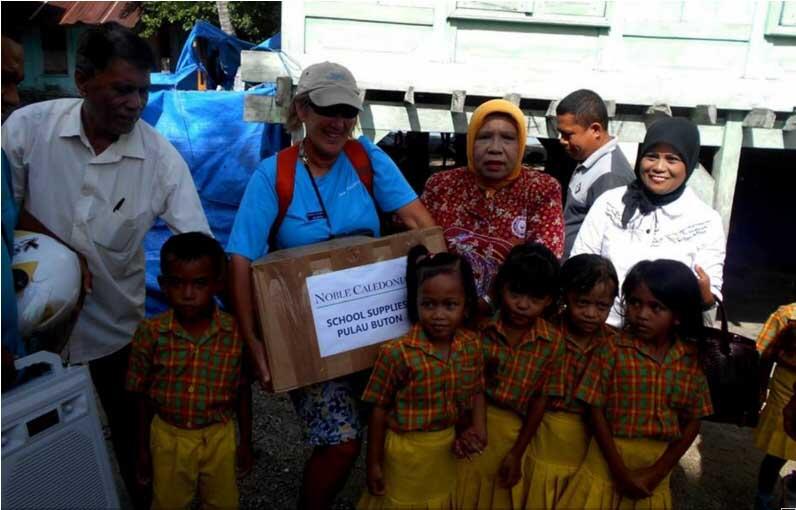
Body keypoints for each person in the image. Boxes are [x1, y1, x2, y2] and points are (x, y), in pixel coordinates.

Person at [1, 22, 210, 507]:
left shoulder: (160, 159)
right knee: (34, 450)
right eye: (122, 89)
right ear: (81, 80)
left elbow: (197, 243)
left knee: (138, 449)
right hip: (28, 334)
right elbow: (6, 214)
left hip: (116, 333)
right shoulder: (27, 130)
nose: (136, 103)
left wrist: (198, 326)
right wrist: (65, 254)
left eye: (142, 90)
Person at [227, 61, 435, 510]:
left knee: (385, 425)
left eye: (347, 111)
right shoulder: (274, 174)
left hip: (375, 323)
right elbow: (241, 259)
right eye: (327, 109)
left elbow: (422, 226)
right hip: (306, 335)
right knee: (341, 443)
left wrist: (443, 304)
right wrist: (254, 342)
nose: (338, 122)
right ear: (302, 108)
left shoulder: (367, 159)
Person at [558, 259, 712, 509]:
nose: (641, 314)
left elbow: (694, 420)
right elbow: (594, 409)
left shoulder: (690, 359)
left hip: (655, 467)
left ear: (678, 315)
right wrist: (620, 471)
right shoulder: (611, 349)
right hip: (606, 462)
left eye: (656, 307)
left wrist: (658, 471)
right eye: (635, 303)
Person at [358, 244, 483, 509]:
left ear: (466, 305)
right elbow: (378, 409)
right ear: (415, 303)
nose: (438, 315)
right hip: (405, 454)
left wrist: (474, 428)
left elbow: (475, 389)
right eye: (428, 304)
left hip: (445, 452)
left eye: (450, 305)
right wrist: (374, 464)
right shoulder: (397, 353)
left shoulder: (470, 345)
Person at [126, 233, 244, 510]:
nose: (188, 294)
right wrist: (143, 450)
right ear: (163, 285)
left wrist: (245, 441)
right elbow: (139, 394)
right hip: (168, 437)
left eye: (199, 283)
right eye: (178, 283)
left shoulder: (233, 332)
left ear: (217, 284)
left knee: (223, 502)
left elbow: (241, 388)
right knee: (169, 502)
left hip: (219, 435)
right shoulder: (151, 332)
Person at [571, 116, 725, 327]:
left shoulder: (705, 220)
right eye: (651, 156)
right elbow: (580, 262)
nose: (659, 167)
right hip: (603, 332)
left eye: (672, 159)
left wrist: (704, 293)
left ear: (688, 163)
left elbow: (711, 293)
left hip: (665, 341)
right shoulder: (609, 204)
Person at [421, 99, 564, 300]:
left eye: (508, 138)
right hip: (446, 312)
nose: (495, 148)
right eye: (484, 137)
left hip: (511, 314)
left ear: (521, 143)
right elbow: (420, 252)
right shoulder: (441, 185)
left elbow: (542, 265)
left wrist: (488, 301)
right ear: (470, 141)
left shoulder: (541, 189)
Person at [456, 242, 563, 509]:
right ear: (501, 286)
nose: (523, 305)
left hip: (513, 436)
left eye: (535, 299)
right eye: (516, 292)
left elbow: (541, 400)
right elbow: (462, 386)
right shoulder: (480, 331)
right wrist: (461, 429)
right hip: (469, 426)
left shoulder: (552, 342)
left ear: (549, 300)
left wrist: (517, 453)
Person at [524, 254, 619, 508]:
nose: (590, 314)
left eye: (601, 307)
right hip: (543, 433)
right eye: (582, 303)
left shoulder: (614, 344)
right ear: (565, 296)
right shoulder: (544, 332)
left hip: (588, 439)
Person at [556, 89, 634, 258]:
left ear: (596, 130)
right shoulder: (589, 160)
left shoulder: (610, 177)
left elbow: (610, 244)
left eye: (568, 134)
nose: (561, 140)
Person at [754, 303, 796, 510]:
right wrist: (761, 388)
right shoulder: (786, 314)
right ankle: (763, 499)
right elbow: (765, 353)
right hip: (785, 393)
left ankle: (791, 493)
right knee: (777, 452)